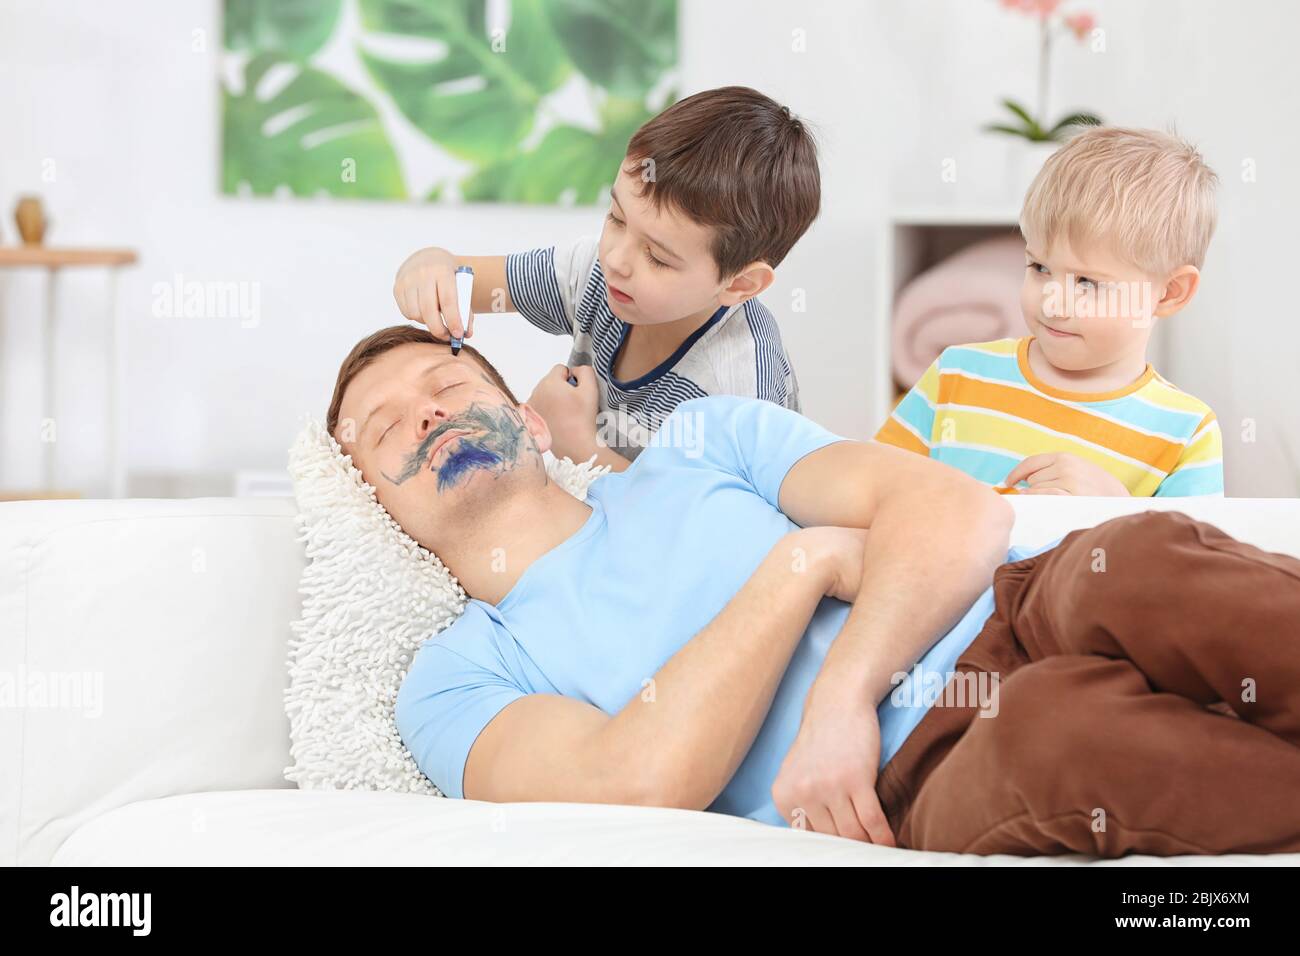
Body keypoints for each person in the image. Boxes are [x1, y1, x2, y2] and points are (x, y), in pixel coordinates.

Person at [326, 325, 1300, 856]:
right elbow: (629, 783)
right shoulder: (453, 678)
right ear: (373, 501)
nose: (425, 413)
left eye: (446, 384)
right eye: (383, 426)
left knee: (1136, 557)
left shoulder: (703, 445)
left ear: (530, 423)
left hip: (1007, 602)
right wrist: (805, 563)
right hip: (915, 775)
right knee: (1058, 734)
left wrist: (840, 694)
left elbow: (954, 510)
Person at [391, 87, 820, 472]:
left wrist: (578, 445)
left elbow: (714, 529)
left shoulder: (736, 387)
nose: (616, 259)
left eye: (657, 257)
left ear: (739, 286)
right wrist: (433, 268)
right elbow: (468, 279)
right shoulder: (599, 276)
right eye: (616, 218)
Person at [877, 127, 1224, 497]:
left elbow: (1186, 554)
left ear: (1169, 293)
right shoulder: (957, 375)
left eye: (1088, 283)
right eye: (1040, 268)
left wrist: (1120, 512)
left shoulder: (1185, 433)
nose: (1053, 302)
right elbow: (868, 490)